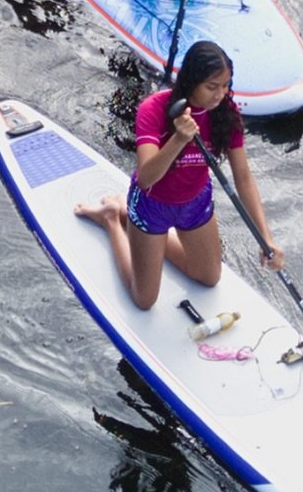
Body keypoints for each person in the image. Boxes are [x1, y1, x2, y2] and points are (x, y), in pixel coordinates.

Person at [75, 41, 283, 310]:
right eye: (212, 87)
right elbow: (146, 178)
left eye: (225, 86)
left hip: (195, 203)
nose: (220, 95)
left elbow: (243, 177)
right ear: (191, 82)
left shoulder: (225, 113)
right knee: (144, 300)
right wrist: (178, 140)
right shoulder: (153, 109)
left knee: (209, 278)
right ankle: (112, 218)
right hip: (152, 205)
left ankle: (133, 226)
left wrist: (265, 237)